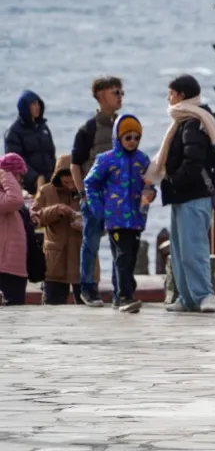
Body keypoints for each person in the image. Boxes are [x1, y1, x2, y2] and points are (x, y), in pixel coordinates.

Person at [146, 74, 215, 313]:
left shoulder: (193, 123)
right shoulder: (184, 120)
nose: (168, 98)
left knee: (193, 250)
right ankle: (187, 298)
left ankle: (205, 295)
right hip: (181, 195)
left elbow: (193, 161)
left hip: (194, 195)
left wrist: (173, 181)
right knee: (179, 251)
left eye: (171, 93)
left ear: (181, 95)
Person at [84, 115, 155, 314]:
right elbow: (90, 183)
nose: (132, 141)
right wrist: (98, 209)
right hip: (115, 218)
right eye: (128, 137)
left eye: (136, 138)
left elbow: (150, 185)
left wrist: (150, 194)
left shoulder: (143, 159)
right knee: (123, 256)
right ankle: (125, 297)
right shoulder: (106, 159)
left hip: (136, 218)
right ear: (118, 137)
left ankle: (120, 296)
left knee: (130, 257)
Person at [72, 76, 123, 307]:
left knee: (120, 246)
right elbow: (75, 164)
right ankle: (88, 290)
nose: (120, 97)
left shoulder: (124, 125)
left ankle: (120, 292)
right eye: (116, 92)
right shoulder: (88, 129)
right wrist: (83, 194)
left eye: (121, 92)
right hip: (93, 197)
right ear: (101, 95)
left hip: (119, 198)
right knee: (91, 243)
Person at [32, 155, 84, 305]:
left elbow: (103, 224)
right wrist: (55, 211)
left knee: (88, 310)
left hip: (82, 260)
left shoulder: (88, 190)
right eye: (66, 182)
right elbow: (34, 219)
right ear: (58, 177)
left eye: (73, 181)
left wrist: (85, 225)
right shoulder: (46, 191)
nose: (70, 186)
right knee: (51, 307)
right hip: (55, 261)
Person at [4, 90, 56, 196]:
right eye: (33, 104)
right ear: (24, 107)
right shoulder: (14, 132)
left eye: (38, 103)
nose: (37, 107)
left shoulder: (43, 127)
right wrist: (35, 178)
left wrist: (56, 175)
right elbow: (16, 162)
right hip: (29, 185)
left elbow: (51, 153)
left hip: (49, 181)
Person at [0, 154, 30, 306]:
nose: (21, 179)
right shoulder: (7, 196)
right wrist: (5, 174)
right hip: (4, 266)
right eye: (19, 175)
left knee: (17, 310)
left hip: (15, 266)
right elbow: (15, 200)